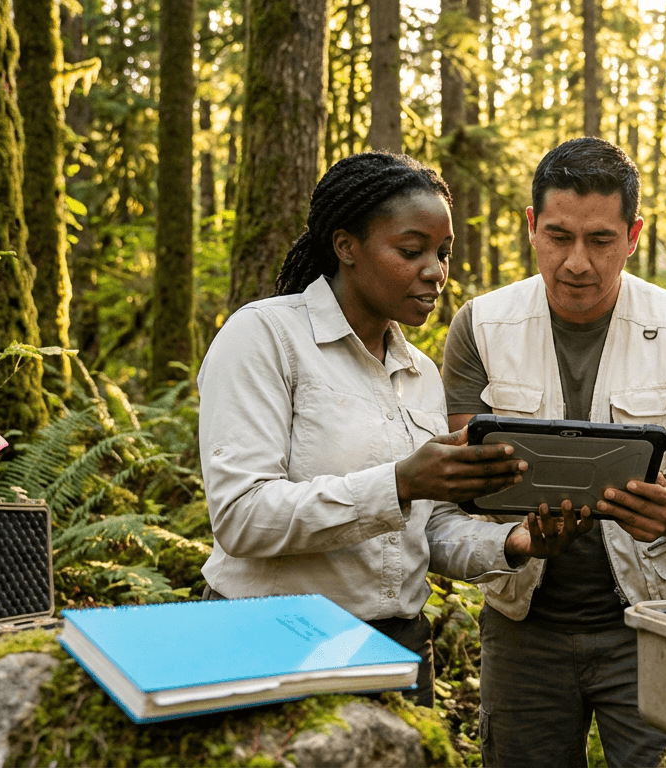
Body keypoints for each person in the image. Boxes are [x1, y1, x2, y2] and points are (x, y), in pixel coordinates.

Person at [198, 152, 586, 707]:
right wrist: (400, 482)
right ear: (345, 246)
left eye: (443, 253)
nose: (435, 270)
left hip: (396, 649)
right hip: (272, 641)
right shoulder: (265, 337)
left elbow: (424, 533)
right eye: (411, 251)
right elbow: (241, 516)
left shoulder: (420, 374)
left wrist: (516, 541)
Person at [442, 137, 666, 767]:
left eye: (600, 240)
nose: (577, 262)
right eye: (559, 236)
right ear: (531, 228)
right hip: (523, 628)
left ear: (633, 235)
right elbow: (462, 484)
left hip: (654, 623)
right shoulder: (480, 326)